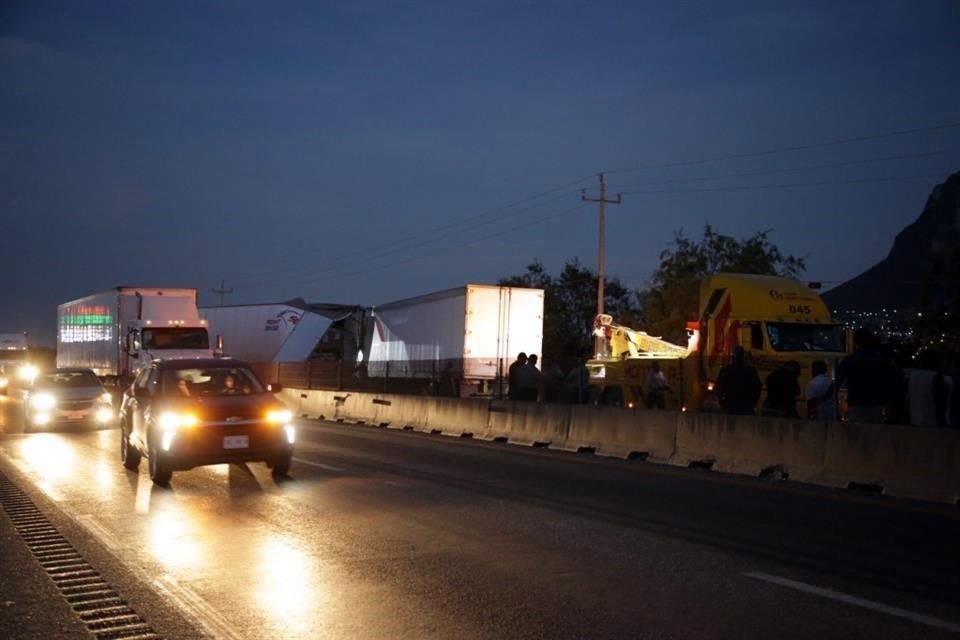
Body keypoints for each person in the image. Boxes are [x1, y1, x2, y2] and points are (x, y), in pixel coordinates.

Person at [836, 328, 892, 424]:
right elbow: (889, 383)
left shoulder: (850, 360)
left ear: (856, 342)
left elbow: (838, 381)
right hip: (876, 405)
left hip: (857, 405)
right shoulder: (880, 360)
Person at [716, 346, 762, 416]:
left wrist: (723, 405)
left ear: (732, 357)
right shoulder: (751, 371)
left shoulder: (725, 371)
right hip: (746, 407)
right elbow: (757, 389)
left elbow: (719, 390)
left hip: (731, 406)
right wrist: (753, 403)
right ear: (743, 357)